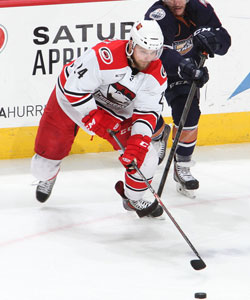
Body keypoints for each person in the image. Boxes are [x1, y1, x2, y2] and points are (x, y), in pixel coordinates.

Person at [31, 20, 169, 218]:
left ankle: (134, 198)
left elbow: (146, 111)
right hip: (70, 102)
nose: (148, 58)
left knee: (145, 157)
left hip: (115, 113)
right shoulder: (104, 56)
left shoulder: (156, 74)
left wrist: (138, 141)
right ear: (131, 44)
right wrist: (95, 117)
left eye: (153, 52)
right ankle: (49, 174)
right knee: (41, 169)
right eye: (143, 51)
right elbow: (74, 89)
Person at [145, 0, 231, 197]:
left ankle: (182, 164)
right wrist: (185, 65)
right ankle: (159, 134)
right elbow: (159, 54)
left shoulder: (201, 9)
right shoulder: (156, 16)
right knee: (144, 113)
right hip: (153, 73)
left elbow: (224, 40)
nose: (176, 2)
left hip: (185, 73)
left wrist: (214, 40)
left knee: (189, 116)